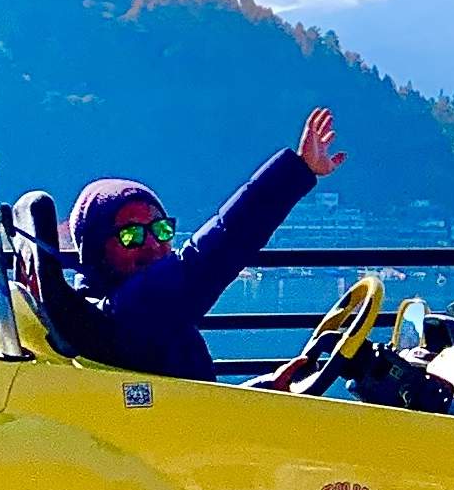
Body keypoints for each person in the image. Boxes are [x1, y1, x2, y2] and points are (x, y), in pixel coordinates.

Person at [68, 107, 348, 388]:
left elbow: (185, 406)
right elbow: (217, 248)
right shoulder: (122, 315)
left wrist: (264, 389)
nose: (153, 245)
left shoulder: (107, 317)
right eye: (131, 235)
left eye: (161, 229)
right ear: (96, 250)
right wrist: (296, 171)